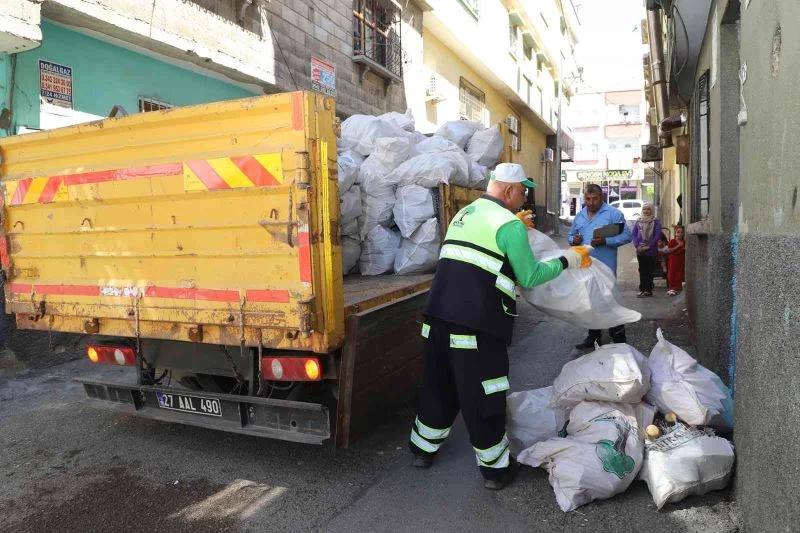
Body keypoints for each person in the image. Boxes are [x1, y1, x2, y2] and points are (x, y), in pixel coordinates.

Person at [408, 163, 591, 490]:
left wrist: (513, 228)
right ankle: (495, 470)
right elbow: (530, 276)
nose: (525, 196)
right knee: (485, 396)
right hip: (476, 328)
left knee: (439, 386)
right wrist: (569, 259)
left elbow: (479, 252)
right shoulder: (510, 226)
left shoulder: (465, 213)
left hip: (436, 320)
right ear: (508, 190)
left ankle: (422, 450)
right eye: (522, 190)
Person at [568, 184, 632, 348]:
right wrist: (573, 240)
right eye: (587, 199)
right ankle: (593, 336)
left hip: (606, 266)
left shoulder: (613, 214)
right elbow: (571, 235)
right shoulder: (580, 215)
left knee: (609, 300)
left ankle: (618, 336)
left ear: (601, 197)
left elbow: (627, 236)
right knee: (590, 300)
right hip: (585, 266)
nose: (591, 202)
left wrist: (606, 241)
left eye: (594, 199)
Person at [631, 203, 662, 298]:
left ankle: (648, 290)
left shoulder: (655, 221)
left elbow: (657, 235)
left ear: (652, 210)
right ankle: (642, 289)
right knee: (642, 269)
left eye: (648, 209)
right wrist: (637, 245)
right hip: (640, 250)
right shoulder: (638, 221)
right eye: (644, 209)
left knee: (649, 270)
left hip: (651, 251)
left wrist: (649, 246)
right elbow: (634, 234)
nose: (646, 211)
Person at [665, 225, 686, 295]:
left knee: (679, 274)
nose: (680, 234)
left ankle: (676, 288)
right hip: (673, 260)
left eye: (682, 232)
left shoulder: (684, 242)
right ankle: (672, 287)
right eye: (678, 232)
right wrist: (678, 246)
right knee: (671, 274)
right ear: (675, 233)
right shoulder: (672, 241)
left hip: (681, 261)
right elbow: (670, 250)